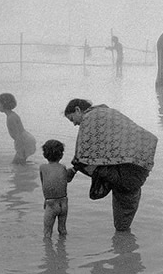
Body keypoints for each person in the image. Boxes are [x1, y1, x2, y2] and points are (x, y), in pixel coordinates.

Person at [64, 98, 157, 232]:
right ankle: (125, 245)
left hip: (126, 169)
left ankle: (123, 244)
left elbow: (82, 154)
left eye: (72, 119)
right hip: (141, 162)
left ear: (78, 110)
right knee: (126, 205)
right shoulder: (108, 112)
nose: (74, 124)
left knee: (121, 221)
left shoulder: (89, 118)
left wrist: (73, 169)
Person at [39, 139, 76, 239]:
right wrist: (74, 169)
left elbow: (45, 184)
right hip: (63, 203)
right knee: (62, 229)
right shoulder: (63, 167)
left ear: (44, 154)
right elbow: (66, 180)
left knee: (47, 233)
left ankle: (48, 253)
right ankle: (62, 250)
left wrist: (45, 201)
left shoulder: (42, 167)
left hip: (51, 204)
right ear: (61, 155)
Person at [0, 93, 37, 163]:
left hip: (24, 141)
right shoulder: (12, 115)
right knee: (20, 162)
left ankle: (25, 172)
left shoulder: (10, 118)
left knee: (16, 163)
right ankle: (28, 169)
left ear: (4, 104)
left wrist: (20, 149)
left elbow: (17, 135)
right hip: (26, 139)